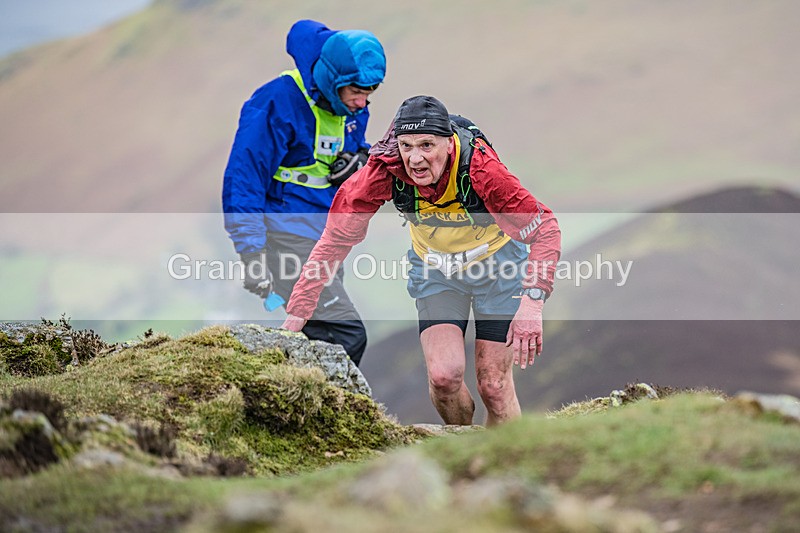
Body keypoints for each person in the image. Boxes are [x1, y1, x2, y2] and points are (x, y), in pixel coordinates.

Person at [281, 95, 562, 426]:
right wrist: (300, 308)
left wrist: (532, 303)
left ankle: (504, 462)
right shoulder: (384, 170)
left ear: (448, 144)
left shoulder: (481, 169)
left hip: (498, 267)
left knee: (495, 387)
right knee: (444, 379)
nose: (415, 158)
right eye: (407, 146)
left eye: (427, 145)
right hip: (436, 271)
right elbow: (335, 239)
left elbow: (545, 228)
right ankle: (460, 454)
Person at [222, 20, 387, 366]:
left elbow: (350, 152)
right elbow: (243, 180)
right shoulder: (275, 102)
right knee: (346, 335)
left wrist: (360, 159)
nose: (362, 101)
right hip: (282, 238)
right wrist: (252, 253)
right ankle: (327, 415)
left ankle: (289, 405)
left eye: (370, 91)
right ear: (332, 80)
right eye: (356, 91)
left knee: (317, 336)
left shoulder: (352, 107)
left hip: (326, 237)